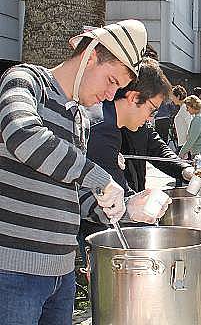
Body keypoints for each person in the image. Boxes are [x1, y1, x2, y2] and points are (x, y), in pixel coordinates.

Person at [0, 20, 149, 323]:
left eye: (117, 88)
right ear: (90, 55)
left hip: (63, 274)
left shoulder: (80, 117)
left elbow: (73, 194)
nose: (110, 95)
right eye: (110, 80)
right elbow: (22, 135)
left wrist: (124, 209)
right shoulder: (26, 81)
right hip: (13, 272)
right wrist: (101, 178)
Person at [79, 56, 177, 242]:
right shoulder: (102, 128)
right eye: (152, 110)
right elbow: (111, 203)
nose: (150, 119)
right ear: (133, 97)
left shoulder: (106, 120)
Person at [172, 85, 192, 157]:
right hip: (183, 143)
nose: (172, 99)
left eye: (172, 96)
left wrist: (187, 146)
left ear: (178, 96)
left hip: (185, 145)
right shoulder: (183, 107)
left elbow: (190, 125)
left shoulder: (184, 108)